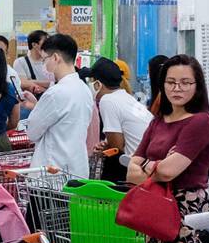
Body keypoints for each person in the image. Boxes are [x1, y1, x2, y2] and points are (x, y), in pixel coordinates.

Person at [127, 54, 209, 243]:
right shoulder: (158, 121)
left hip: (185, 211)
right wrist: (155, 167)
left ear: (197, 86)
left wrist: (149, 165)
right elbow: (130, 172)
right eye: (171, 82)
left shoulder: (201, 122)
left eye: (185, 83)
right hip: (155, 207)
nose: (177, 88)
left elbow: (169, 171)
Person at [25, 33, 94, 178]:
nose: (44, 66)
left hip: (51, 177)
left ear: (56, 58)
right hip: (77, 171)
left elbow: (32, 132)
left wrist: (37, 107)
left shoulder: (56, 93)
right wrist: (38, 105)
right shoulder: (84, 89)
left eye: (45, 60)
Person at [90, 57, 152, 183]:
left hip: (134, 165)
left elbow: (117, 147)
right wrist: (107, 143)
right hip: (148, 162)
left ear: (98, 84)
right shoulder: (125, 97)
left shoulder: (107, 100)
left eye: (90, 81)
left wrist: (107, 146)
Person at [13, 29, 53, 96]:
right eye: (45, 42)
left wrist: (31, 82)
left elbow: (58, 82)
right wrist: (50, 84)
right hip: (30, 103)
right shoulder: (20, 62)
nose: (48, 45)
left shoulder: (51, 61)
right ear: (34, 45)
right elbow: (22, 83)